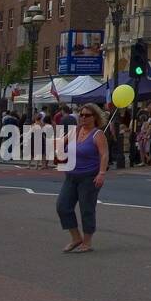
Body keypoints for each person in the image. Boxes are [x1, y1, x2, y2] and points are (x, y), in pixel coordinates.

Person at [56, 104, 109, 253]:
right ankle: (76, 237)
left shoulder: (98, 134)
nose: (83, 118)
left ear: (95, 117)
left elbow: (104, 154)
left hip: (89, 178)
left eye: (87, 115)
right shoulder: (75, 131)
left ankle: (87, 242)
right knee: (62, 206)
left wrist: (102, 173)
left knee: (87, 209)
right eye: (81, 115)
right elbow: (61, 144)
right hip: (71, 176)